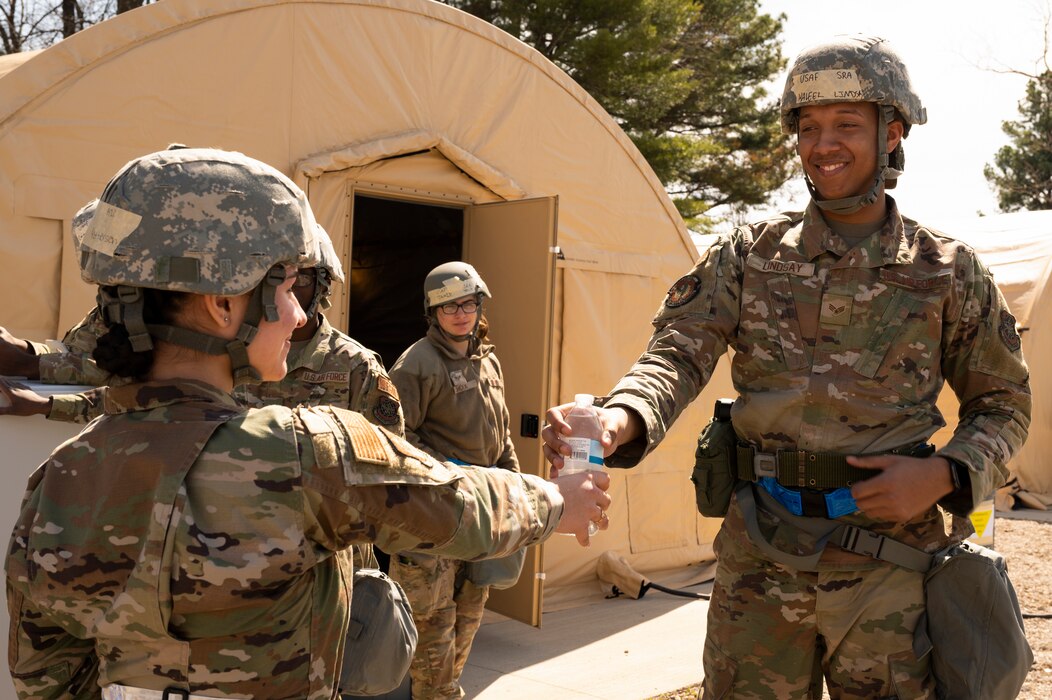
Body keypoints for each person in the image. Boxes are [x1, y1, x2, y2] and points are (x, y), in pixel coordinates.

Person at [5, 147, 611, 700]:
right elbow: (461, 508)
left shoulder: (54, 482)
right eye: (289, 287)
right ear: (223, 305)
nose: (299, 316)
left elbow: (44, 678)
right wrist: (559, 497)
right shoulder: (306, 453)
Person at [542, 35, 1031, 698]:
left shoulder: (946, 270)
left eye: (847, 126)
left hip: (890, 564)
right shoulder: (751, 254)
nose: (823, 144)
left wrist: (945, 473)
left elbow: (1003, 405)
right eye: (809, 127)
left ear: (894, 133)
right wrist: (617, 419)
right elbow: (678, 353)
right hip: (761, 560)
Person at [387, 262, 531, 700]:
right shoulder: (416, 365)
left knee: (469, 613)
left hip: (482, 515)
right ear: (433, 313)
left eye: (468, 303)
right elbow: (393, 439)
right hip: (431, 518)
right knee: (432, 630)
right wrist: (454, 474)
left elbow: (501, 433)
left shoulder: (488, 360)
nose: (460, 313)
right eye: (448, 306)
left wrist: (515, 490)